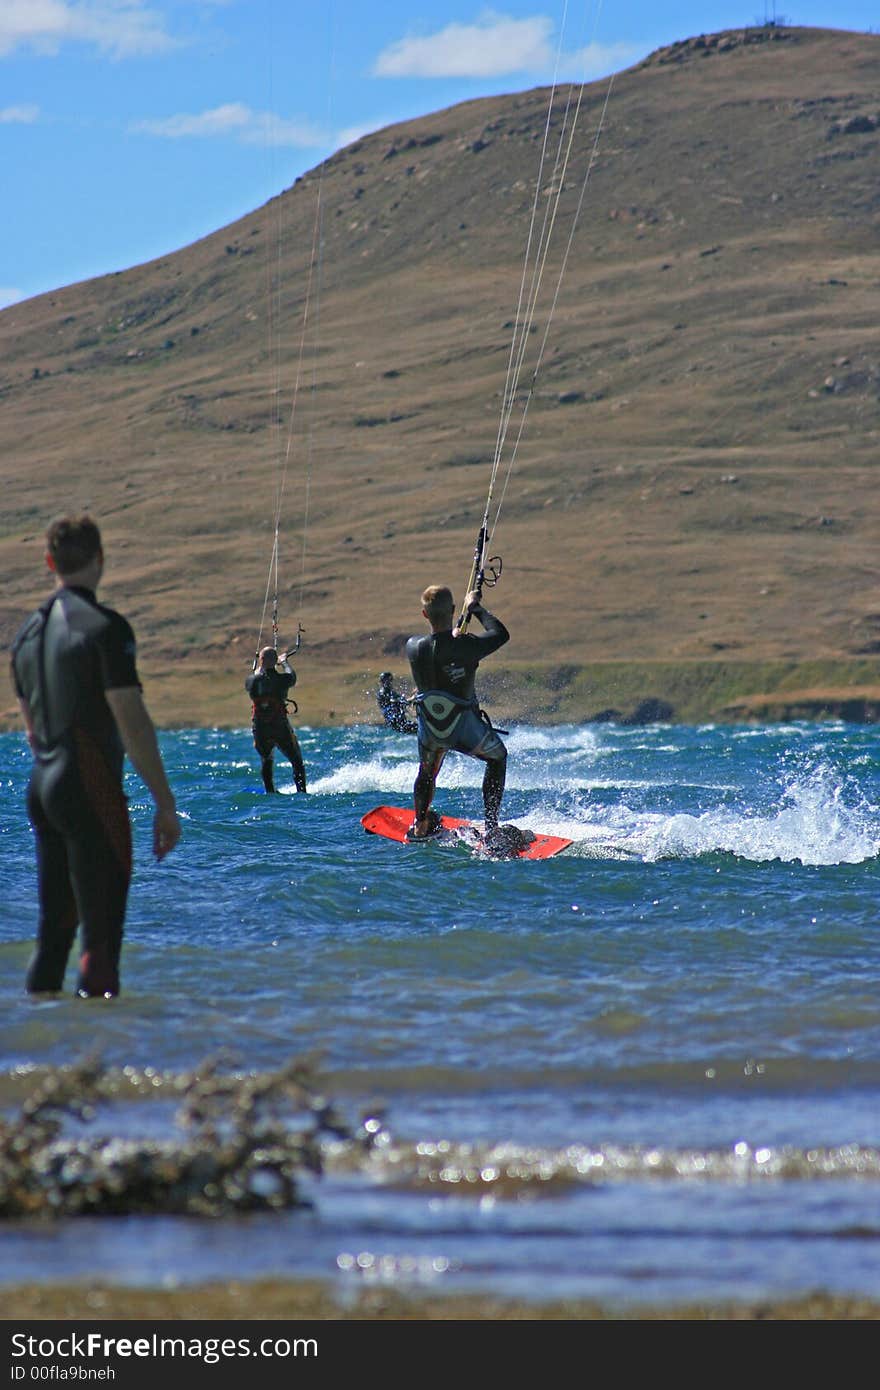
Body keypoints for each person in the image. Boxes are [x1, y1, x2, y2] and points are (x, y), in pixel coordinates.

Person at [9, 514, 181, 998]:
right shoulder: (105, 628)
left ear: (49, 563)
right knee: (100, 943)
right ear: (101, 559)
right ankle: (98, 1060)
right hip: (90, 788)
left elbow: (31, 730)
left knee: (53, 937)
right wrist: (164, 804)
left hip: (43, 787)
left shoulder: (24, 637)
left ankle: (40, 1059)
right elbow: (129, 715)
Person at [406, 584, 509, 842]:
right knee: (497, 758)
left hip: (430, 730)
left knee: (427, 770)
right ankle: (491, 827)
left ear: (424, 615)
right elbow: (500, 634)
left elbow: (439, 651)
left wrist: (453, 637)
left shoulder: (413, 647)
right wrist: (475, 607)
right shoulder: (466, 646)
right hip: (463, 728)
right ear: (453, 610)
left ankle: (420, 823)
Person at [245, 646, 307, 794]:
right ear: (274, 661)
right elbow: (292, 676)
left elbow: (251, 684)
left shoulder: (253, 680)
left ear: (261, 660)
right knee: (296, 762)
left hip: (260, 728)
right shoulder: (283, 679)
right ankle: (301, 792)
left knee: (266, 761)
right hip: (280, 726)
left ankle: (269, 792)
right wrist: (284, 662)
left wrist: (259, 668)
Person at [376, 671, 418, 735]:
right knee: (418, 729)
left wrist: (413, 696)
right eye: (386, 680)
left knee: (417, 728)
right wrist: (412, 698)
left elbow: (403, 700)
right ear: (381, 682)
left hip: (400, 722)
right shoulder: (383, 693)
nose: (388, 682)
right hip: (396, 723)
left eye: (390, 680)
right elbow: (397, 701)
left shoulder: (391, 692)